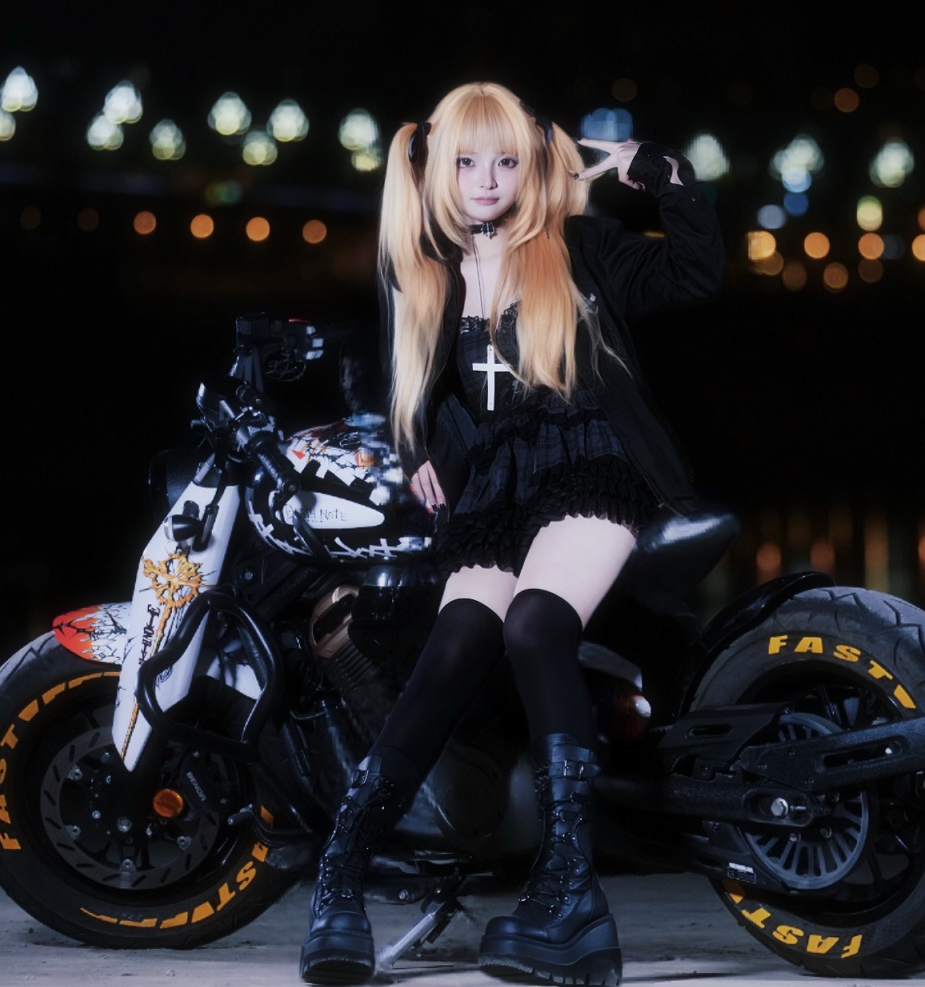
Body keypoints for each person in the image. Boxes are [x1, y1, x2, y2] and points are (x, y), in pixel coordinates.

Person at [299, 81, 724, 986]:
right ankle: (338, 879)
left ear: (530, 166)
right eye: (465, 163)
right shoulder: (425, 276)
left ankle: (570, 893)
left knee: (534, 623)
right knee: (455, 643)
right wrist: (419, 446)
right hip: (496, 491)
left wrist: (667, 177)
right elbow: (415, 392)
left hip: (590, 463)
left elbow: (693, 275)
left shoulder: (574, 247)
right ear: (436, 171)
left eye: (503, 162)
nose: (486, 180)